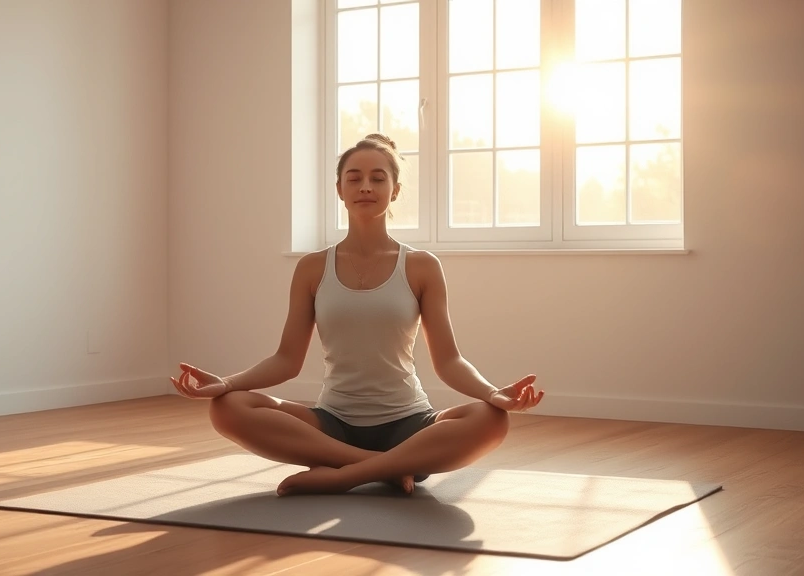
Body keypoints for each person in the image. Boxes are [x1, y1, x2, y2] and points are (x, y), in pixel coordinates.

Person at [171, 133, 545, 497]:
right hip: (333, 424)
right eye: (355, 178)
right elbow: (286, 360)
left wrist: (494, 394)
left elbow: (449, 361)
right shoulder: (313, 268)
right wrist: (225, 383)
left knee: (492, 419)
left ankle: (342, 477)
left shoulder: (421, 266)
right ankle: (382, 467)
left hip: (409, 425)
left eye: (378, 178)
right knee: (228, 408)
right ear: (340, 189)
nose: (365, 186)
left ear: (394, 190)